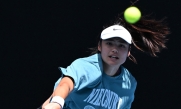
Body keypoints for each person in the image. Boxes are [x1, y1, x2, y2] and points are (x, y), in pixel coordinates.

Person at [39, 13, 170, 109]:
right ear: (100, 46)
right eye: (109, 43)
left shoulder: (129, 83)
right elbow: (65, 84)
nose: (115, 49)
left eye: (121, 45)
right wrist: (56, 102)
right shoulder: (86, 66)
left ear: (128, 52)